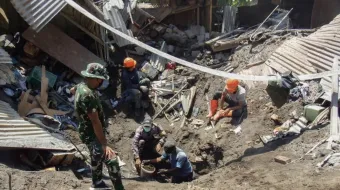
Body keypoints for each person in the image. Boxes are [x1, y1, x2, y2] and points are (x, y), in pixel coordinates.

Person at [75, 63, 124, 190]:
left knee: (97, 156)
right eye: (100, 79)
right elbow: (95, 121)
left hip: (85, 129)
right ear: (94, 78)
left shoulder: (81, 86)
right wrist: (104, 144)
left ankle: (97, 183)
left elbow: (74, 89)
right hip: (91, 132)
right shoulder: (88, 95)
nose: (101, 82)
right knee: (111, 158)